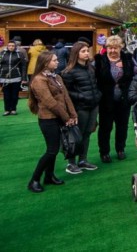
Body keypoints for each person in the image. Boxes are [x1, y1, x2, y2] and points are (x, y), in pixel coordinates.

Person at [27, 51, 77, 193]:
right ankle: (34, 180)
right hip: (48, 119)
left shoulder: (56, 77)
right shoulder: (39, 80)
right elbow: (50, 102)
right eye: (54, 60)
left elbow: (66, 97)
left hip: (59, 117)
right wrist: (67, 118)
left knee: (53, 150)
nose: (58, 62)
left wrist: (73, 114)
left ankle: (49, 176)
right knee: (52, 150)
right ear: (45, 63)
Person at [95, 35, 137, 163]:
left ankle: (120, 149)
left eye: (116, 48)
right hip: (105, 100)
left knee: (122, 126)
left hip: (123, 100)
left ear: (120, 48)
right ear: (106, 48)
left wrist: (126, 67)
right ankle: (104, 152)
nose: (113, 50)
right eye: (110, 48)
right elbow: (93, 78)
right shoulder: (99, 60)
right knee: (105, 127)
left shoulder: (128, 58)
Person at [61, 42, 101, 174]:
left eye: (87, 51)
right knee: (76, 135)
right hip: (80, 107)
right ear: (76, 53)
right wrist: (81, 96)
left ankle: (83, 160)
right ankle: (71, 163)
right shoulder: (69, 71)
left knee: (87, 133)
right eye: (83, 51)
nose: (86, 53)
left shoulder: (90, 68)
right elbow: (66, 92)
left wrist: (97, 95)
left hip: (93, 105)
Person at [0, 39, 27, 116]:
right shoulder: (2, 53)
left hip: (16, 77)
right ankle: (7, 110)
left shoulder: (20, 54)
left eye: (12, 46)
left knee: (15, 95)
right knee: (6, 95)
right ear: (7, 46)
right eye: (9, 46)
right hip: (4, 77)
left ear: (15, 46)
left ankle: (13, 109)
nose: (11, 47)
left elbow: (23, 66)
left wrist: (24, 78)